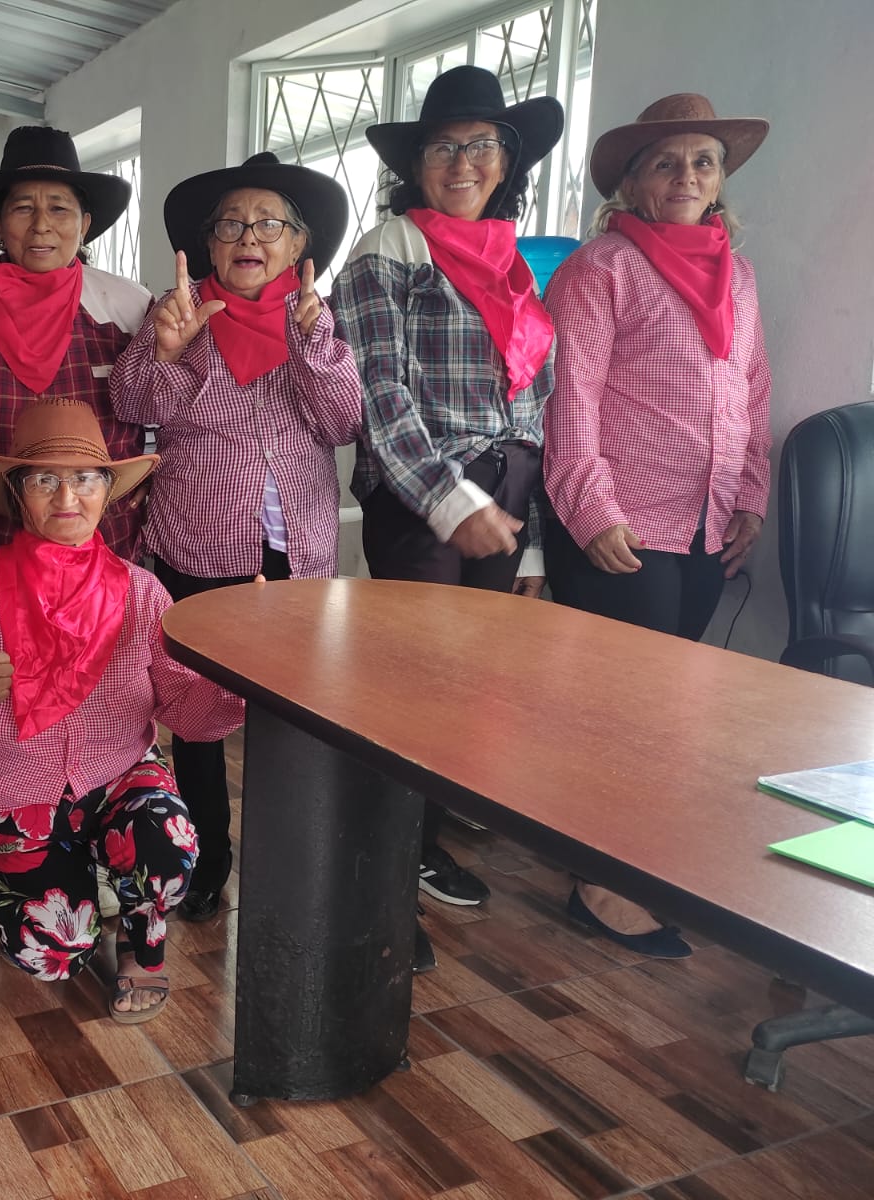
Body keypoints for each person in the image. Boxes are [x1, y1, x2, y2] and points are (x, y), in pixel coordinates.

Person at [0, 399, 244, 1022]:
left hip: (118, 773)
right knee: (53, 955)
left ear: (108, 491)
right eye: (44, 479)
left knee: (167, 844)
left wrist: (239, 680)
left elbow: (189, 715)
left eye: (84, 478)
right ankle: (76, 892)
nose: (67, 496)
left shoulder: (142, 592)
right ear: (17, 492)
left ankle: (142, 944)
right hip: (11, 787)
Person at [329, 65, 564, 964]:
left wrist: (529, 539)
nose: (464, 162)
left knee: (464, 690)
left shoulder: (512, 261)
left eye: (482, 145)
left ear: (507, 159)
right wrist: (450, 501)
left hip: (509, 493)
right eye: (443, 147)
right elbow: (379, 398)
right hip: (424, 494)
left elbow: (532, 398)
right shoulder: (388, 250)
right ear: (415, 163)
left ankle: (419, 849)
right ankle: (381, 885)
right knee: (410, 695)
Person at [543, 94, 773, 958]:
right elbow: (570, 397)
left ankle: (635, 859)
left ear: (720, 180)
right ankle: (598, 884)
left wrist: (750, 493)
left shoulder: (738, 277)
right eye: (666, 162)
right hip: (621, 523)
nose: (687, 176)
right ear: (633, 182)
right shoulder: (600, 269)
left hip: (706, 522)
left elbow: (753, 388)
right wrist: (591, 508)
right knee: (621, 714)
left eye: (703, 161)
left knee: (670, 711)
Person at [110, 153, 364, 921]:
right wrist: (168, 350)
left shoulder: (315, 319)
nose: (248, 236)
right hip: (198, 544)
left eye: (268, 223)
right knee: (198, 716)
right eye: (230, 224)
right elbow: (134, 404)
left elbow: (342, 423)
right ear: (209, 244)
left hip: (299, 554)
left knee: (293, 714)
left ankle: (290, 868)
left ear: (298, 244)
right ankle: (206, 863)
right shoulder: (177, 310)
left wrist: (314, 347)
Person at [0, 126, 151, 577]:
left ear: (84, 224)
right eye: (22, 208)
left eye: (58, 208)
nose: (41, 225)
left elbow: (160, 414)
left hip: (104, 541)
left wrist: (150, 487)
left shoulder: (127, 307)